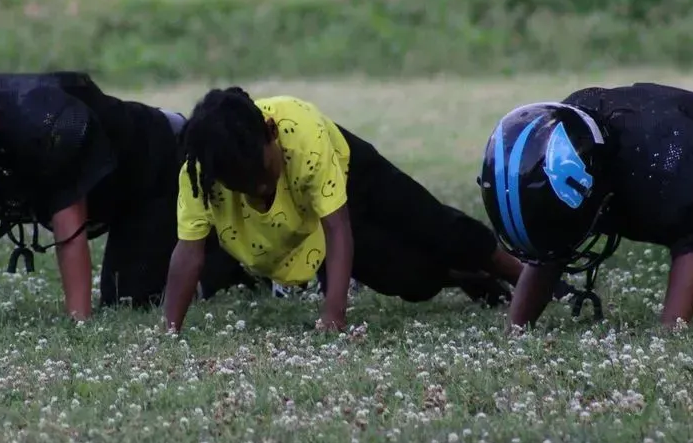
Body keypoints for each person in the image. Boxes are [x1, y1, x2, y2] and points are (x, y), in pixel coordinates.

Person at [0, 62, 250, 320]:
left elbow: (71, 233)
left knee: (131, 300)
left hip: (156, 166)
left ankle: (244, 263)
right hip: (108, 177)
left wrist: (78, 326)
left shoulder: (51, 127)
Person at [160, 88, 527, 333]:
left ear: (271, 131)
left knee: (436, 227)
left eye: (261, 173)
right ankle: (469, 277)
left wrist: (333, 315)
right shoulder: (201, 173)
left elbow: (337, 226)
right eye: (241, 183)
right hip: (305, 218)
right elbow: (188, 251)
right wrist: (170, 331)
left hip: (355, 172)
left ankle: (525, 276)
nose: (258, 188)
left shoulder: (303, 133)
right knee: (408, 280)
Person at [479, 80, 693, 331]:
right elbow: (546, 254)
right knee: (555, 231)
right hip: (633, 154)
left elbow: (690, 250)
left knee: (687, 231)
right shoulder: (576, 136)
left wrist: (670, 335)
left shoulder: (671, 169)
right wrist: (516, 330)